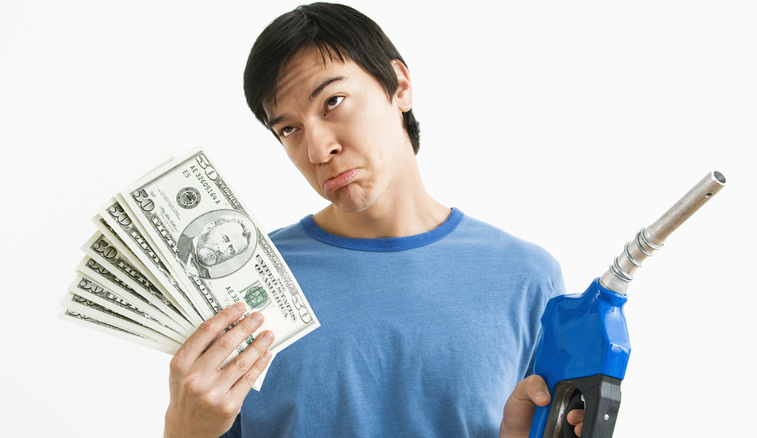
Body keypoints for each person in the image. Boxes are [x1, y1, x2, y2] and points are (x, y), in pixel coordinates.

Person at [164, 3, 583, 437]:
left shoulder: (526, 277)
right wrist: (183, 429)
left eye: (333, 102)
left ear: (399, 86)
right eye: (289, 129)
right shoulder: (239, 284)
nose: (317, 150)